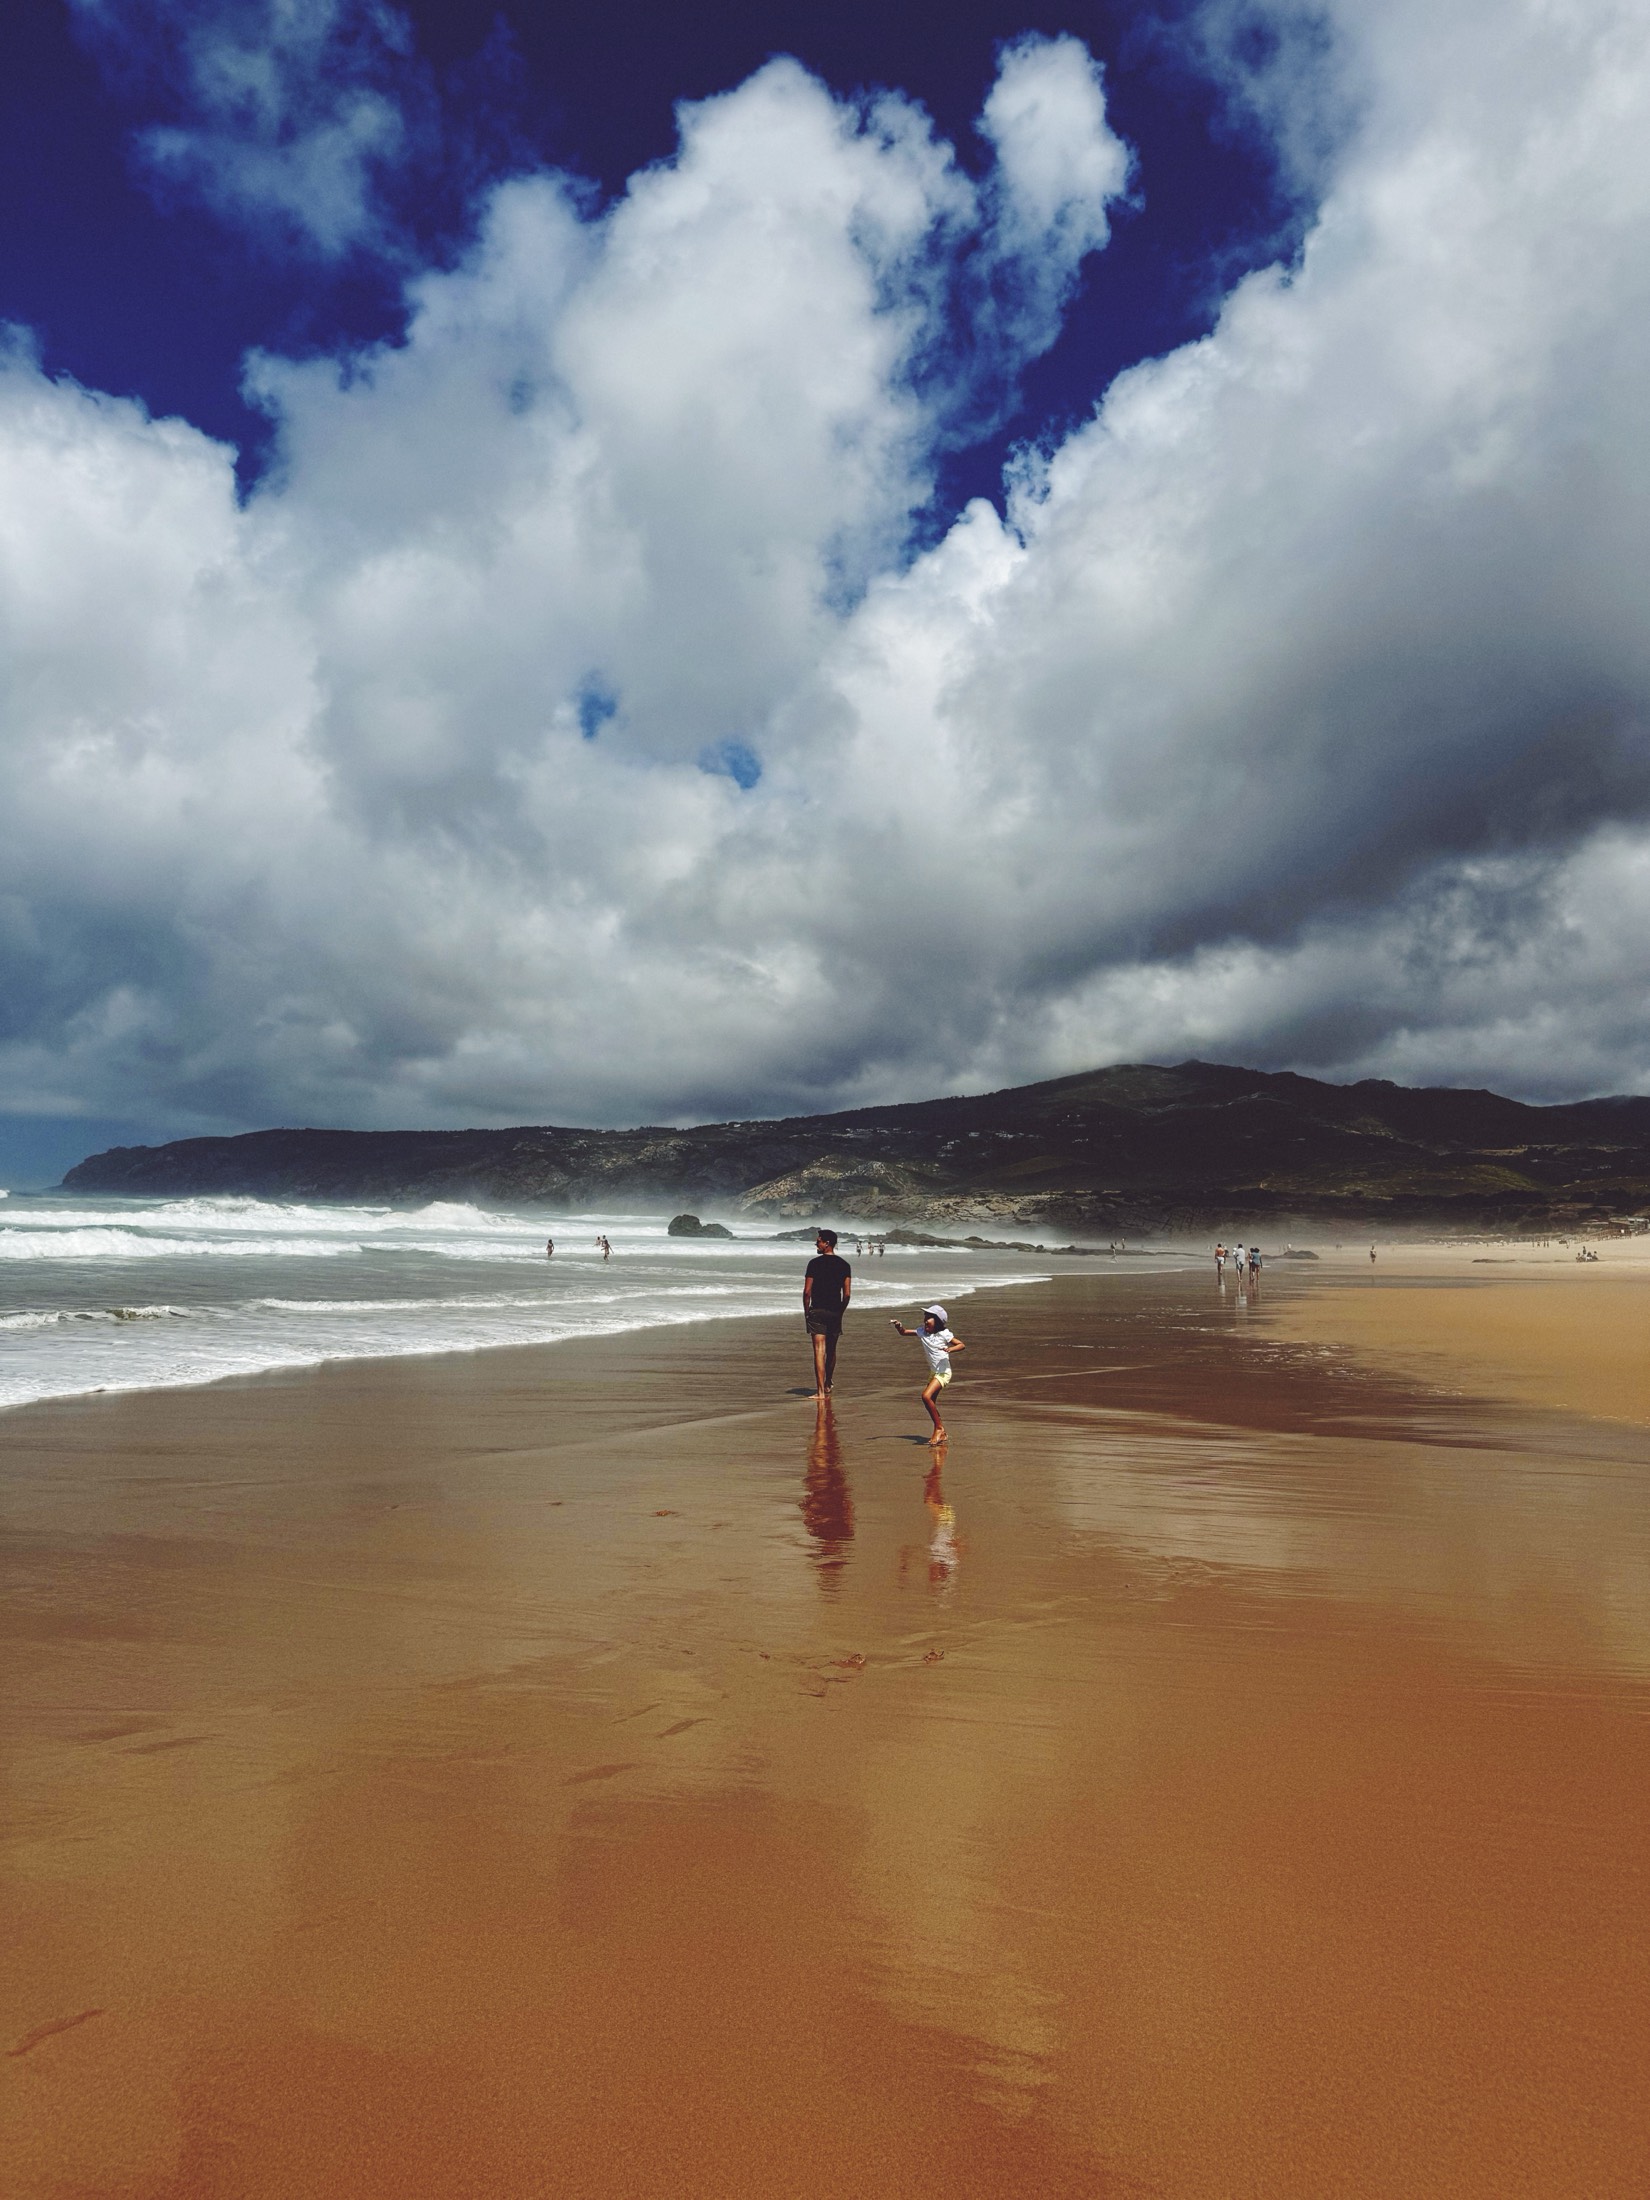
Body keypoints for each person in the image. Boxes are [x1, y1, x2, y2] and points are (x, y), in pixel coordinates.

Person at [890, 1303, 965, 1444]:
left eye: (928, 1319)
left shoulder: (944, 1334)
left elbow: (961, 1344)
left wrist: (950, 1349)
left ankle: (939, 1429)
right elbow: (904, 1332)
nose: (925, 1321)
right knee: (930, 1402)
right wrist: (899, 1326)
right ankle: (941, 1432)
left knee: (926, 1396)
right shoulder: (922, 1332)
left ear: (938, 1322)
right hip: (934, 1373)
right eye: (925, 1318)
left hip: (943, 1373)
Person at [802, 1229, 852, 1396]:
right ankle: (828, 1382)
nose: (816, 1244)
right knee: (831, 1350)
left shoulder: (814, 1264)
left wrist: (806, 1312)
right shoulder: (844, 1265)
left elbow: (807, 1292)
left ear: (827, 1243)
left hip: (817, 1310)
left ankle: (820, 1392)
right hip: (835, 1311)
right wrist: (841, 1311)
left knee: (819, 1350)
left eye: (818, 1241)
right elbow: (847, 1294)